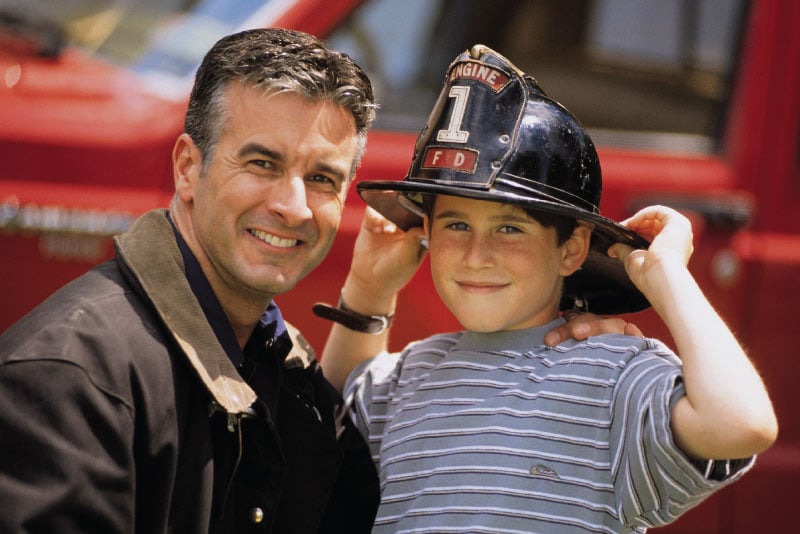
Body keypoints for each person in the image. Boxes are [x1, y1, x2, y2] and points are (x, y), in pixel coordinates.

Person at [0, 30, 628, 533]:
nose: (294, 206)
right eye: (262, 163)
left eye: (323, 179)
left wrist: (570, 369)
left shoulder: (293, 383)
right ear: (188, 168)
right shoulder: (69, 379)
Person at [317, 45, 778, 532]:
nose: (477, 254)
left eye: (510, 228)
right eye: (455, 226)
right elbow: (318, 431)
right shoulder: (408, 376)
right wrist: (368, 290)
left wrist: (666, 276)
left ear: (573, 248)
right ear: (426, 232)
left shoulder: (615, 376)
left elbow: (742, 424)